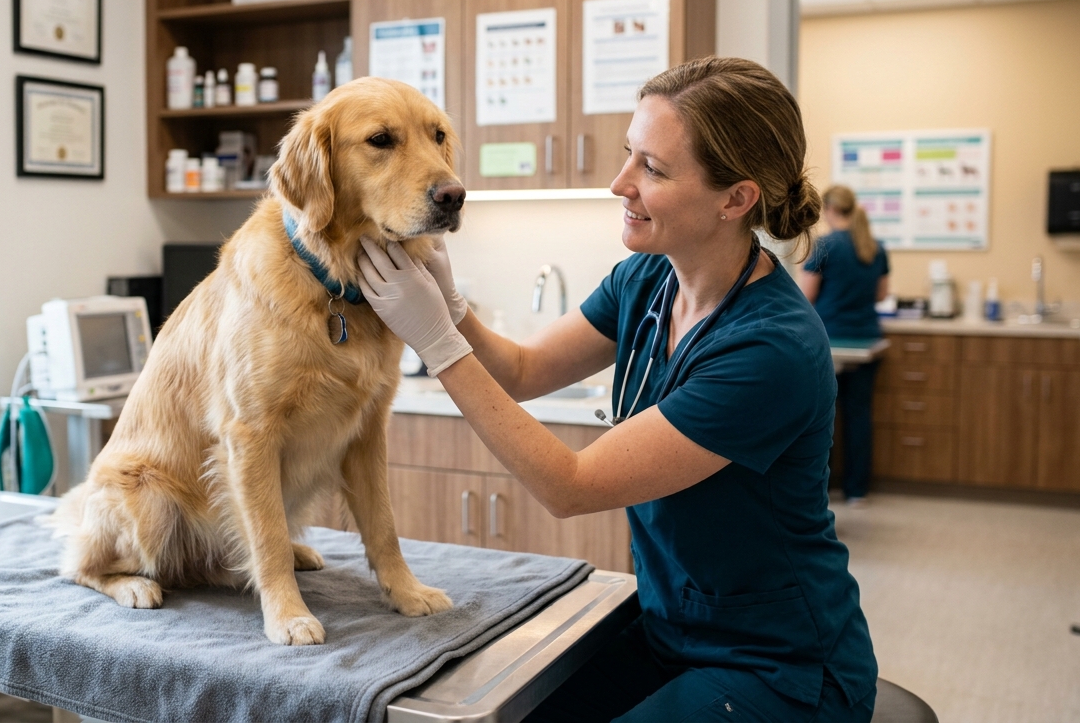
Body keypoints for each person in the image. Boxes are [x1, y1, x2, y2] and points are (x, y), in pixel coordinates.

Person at [355, 57, 876, 722]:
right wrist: (452, 307)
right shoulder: (646, 280)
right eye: (629, 153)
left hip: (777, 663)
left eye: (652, 169)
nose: (619, 183)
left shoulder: (771, 348)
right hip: (671, 629)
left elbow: (569, 486)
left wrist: (438, 344)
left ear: (735, 199)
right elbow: (523, 370)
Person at [798, 186, 890, 507]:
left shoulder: (825, 245)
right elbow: (881, 294)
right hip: (867, 340)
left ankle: (822, 489)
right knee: (859, 414)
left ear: (828, 210)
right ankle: (856, 490)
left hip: (831, 342)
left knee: (824, 416)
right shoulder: (876, 247)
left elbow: (805, 296)